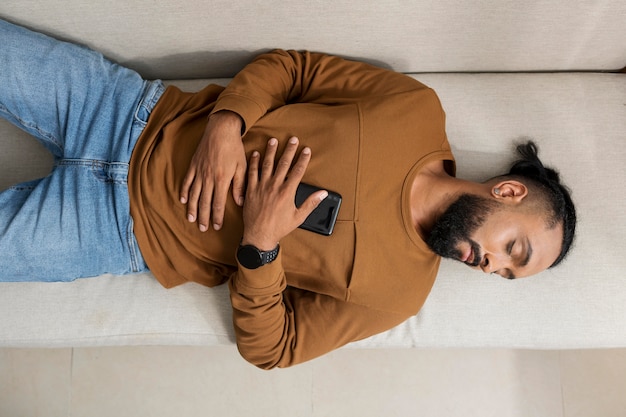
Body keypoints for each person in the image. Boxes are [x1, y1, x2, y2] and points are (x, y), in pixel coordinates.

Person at [0, 19, 576, 369]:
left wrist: (261, 248)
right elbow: (291, 70)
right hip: (128, 111)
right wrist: (227, 122)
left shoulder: (397, 296)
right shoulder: (413, 109)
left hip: (117, 230)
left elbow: (273, 349)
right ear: (506, 191)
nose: (492, 266)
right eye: (513, 250)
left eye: (506, 275)